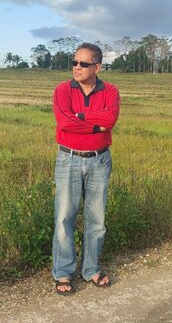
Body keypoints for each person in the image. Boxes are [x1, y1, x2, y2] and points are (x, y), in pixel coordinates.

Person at [51, 42, 120, 295]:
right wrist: (94, 124)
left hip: (100, 160)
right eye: (74, 62)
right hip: (69, 158)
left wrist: (80, 117)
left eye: (83, 63)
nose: (77, 67)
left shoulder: (110, 91)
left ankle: (90, 269)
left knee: (97, 220)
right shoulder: (62, 90)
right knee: (64, 218)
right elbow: (64, 122)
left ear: (97, 67)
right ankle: (63, 272)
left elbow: (110, 119)